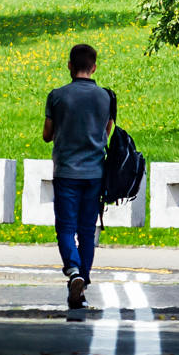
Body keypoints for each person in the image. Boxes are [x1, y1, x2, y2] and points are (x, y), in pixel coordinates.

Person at [43, 43, 116, 318]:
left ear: (70, 66)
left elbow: (47, 134)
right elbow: (107, 132)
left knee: (65, 227)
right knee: (86, 231)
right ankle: (81, 285)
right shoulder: (105, 97)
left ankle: (73, 270)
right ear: (94, 67)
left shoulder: (58, 96)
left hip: (66, 173)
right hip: (95, 174)